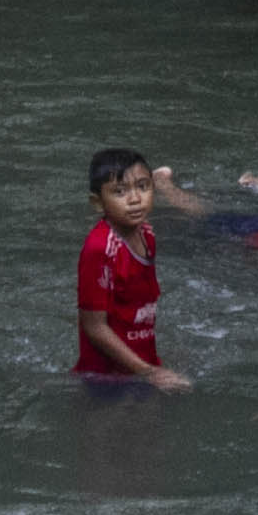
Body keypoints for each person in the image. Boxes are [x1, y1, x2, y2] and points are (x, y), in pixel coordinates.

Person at [74, 147, 193, 391]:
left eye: (142, 186)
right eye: (120, 192)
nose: (135, 199)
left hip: (140, 365)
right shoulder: (100, 250)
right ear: (98, 202)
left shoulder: (146, 233)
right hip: (105, 377)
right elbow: (94, 326)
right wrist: (149, 372)